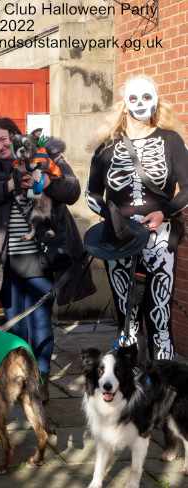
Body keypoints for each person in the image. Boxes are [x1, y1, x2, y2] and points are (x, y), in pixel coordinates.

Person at [0, 117, 91, 402]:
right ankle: (17, 377)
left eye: (4, 139)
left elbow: (72, 190)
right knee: (10, 323)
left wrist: (47, 181)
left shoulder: (46, 154)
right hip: (1, 261)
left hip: (40, 256)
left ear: (16, 137)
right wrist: (10, 185)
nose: (0, 146)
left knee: (40, 322)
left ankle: (41, 377)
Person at [86, 75, 188, 361]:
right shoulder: (107, 146)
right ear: (124, 103)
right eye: (134, 98)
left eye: (146, 97)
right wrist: (112, 218)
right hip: (120, 240)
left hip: (160, 236)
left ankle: (163, 390)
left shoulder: (170, 141)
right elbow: (92, 194)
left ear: (155, 100)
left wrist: (164, 212)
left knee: (160, 315)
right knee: (126, 320)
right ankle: (128, 389)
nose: (141, 104)